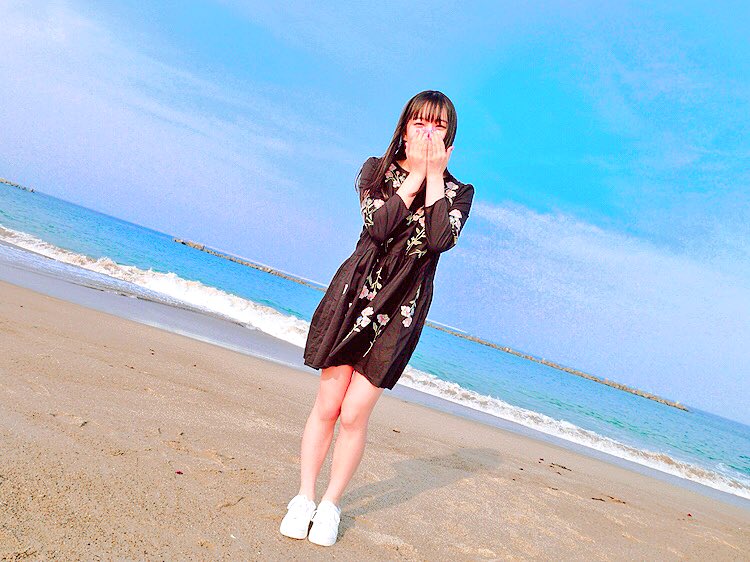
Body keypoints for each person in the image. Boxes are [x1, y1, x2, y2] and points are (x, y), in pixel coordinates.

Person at [280, 90, 475, 547]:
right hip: (356, 295)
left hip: (402, 306)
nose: (428, 133)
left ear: (450, 138)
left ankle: (330, 504)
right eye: (420, 123)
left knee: (354, 413)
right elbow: (379, 225)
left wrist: (433, 177)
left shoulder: (459, 193)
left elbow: (440, 239)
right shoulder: (376, 170)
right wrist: (415, 176)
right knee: (329, 403)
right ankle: (304, 498)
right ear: (404, 129)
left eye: (438, 126)